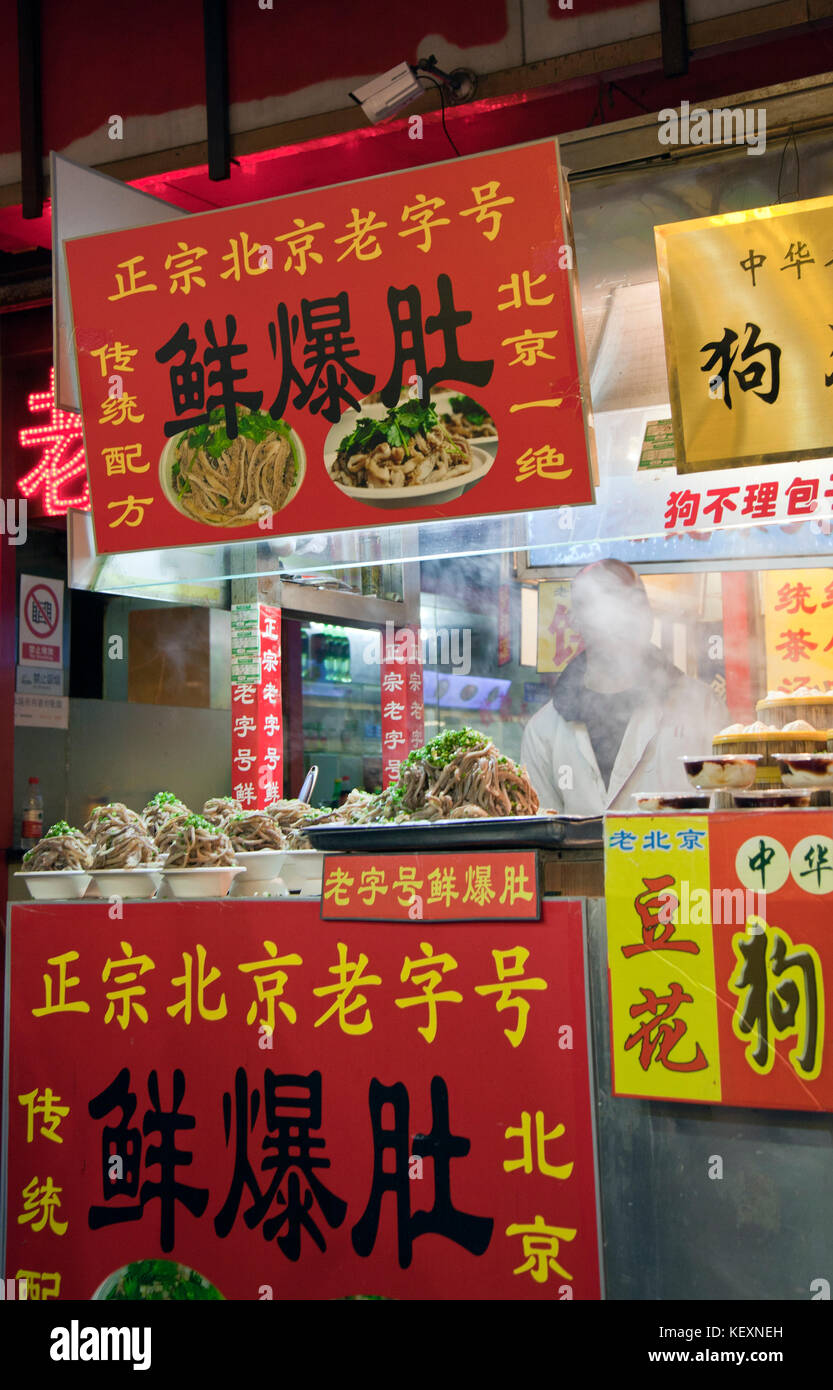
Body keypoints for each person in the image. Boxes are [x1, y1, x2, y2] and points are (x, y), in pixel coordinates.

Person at [521, 559, 727, 815]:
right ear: (576, 620)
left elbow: (726, 813)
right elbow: (542, 837)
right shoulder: (544, 731)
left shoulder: (702, 706)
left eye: (636, 601)